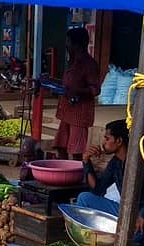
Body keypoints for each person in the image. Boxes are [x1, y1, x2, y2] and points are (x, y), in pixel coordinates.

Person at [76, 120, 144, 244]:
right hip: (125, 212)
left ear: (119, 141)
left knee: (126, 242)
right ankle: (86, 240)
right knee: (84, 198)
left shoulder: (140, 161)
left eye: (107, 139)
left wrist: (143, 214)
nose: (103, 143)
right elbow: (97, 189)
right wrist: (86, 161)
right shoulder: (116, 162)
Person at [53, 27, 100, 160]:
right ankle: (61, 172)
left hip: (80, 114)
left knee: (76, 149)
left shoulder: (89, 64)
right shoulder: (72, 62)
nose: (66, 45)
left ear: (76, 44)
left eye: (68, 42)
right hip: (67, 111)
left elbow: (95, 90)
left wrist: (77, 92)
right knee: (61, 145)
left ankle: (78, 173)